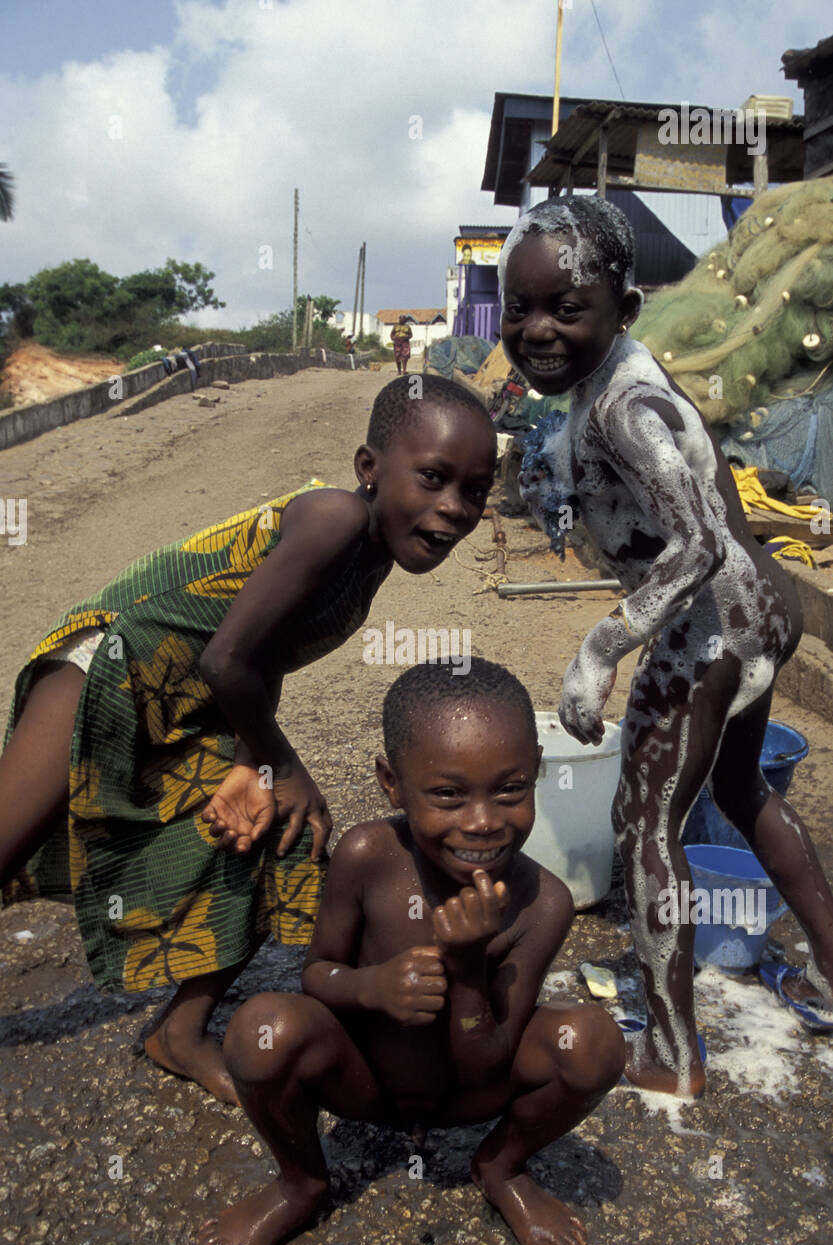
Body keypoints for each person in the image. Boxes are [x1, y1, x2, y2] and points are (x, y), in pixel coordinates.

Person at [0, 375, 497, 1105]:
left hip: (190, 703)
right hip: (108, 670)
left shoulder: (370, 555)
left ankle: (179, 1031)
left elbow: (264, 652)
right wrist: (277, 762)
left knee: (284, 834)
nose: (453, 508)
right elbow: (225, 656)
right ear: (369, 468)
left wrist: (249, 766)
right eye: (432, 478)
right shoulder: (331, 519)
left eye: (475, 491)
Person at [498, 194, 833, 1097]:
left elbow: (695, 545)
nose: (536, 330)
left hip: (710, 621)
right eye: (517, 309)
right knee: (736, 786)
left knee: (641, 823)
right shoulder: (610, 386)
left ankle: (674, 1053)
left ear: (623, 312)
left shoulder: (623, 405)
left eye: (565, 310)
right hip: (759, 607)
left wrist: (598, 651)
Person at [197, 658, 624, 1245]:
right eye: (448, 794)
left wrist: (469, 966)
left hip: (467, 1092)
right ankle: (301, 1183)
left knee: (591, 1044)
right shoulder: (367, 856)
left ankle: (501, 1166)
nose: (482, 821)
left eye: (510, 789)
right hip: (364, 1084)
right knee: (259, 1030)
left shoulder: (543, 903)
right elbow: (317, 974)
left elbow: (487, 1060)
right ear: (392, 783)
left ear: (536, 771)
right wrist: (372, 986)